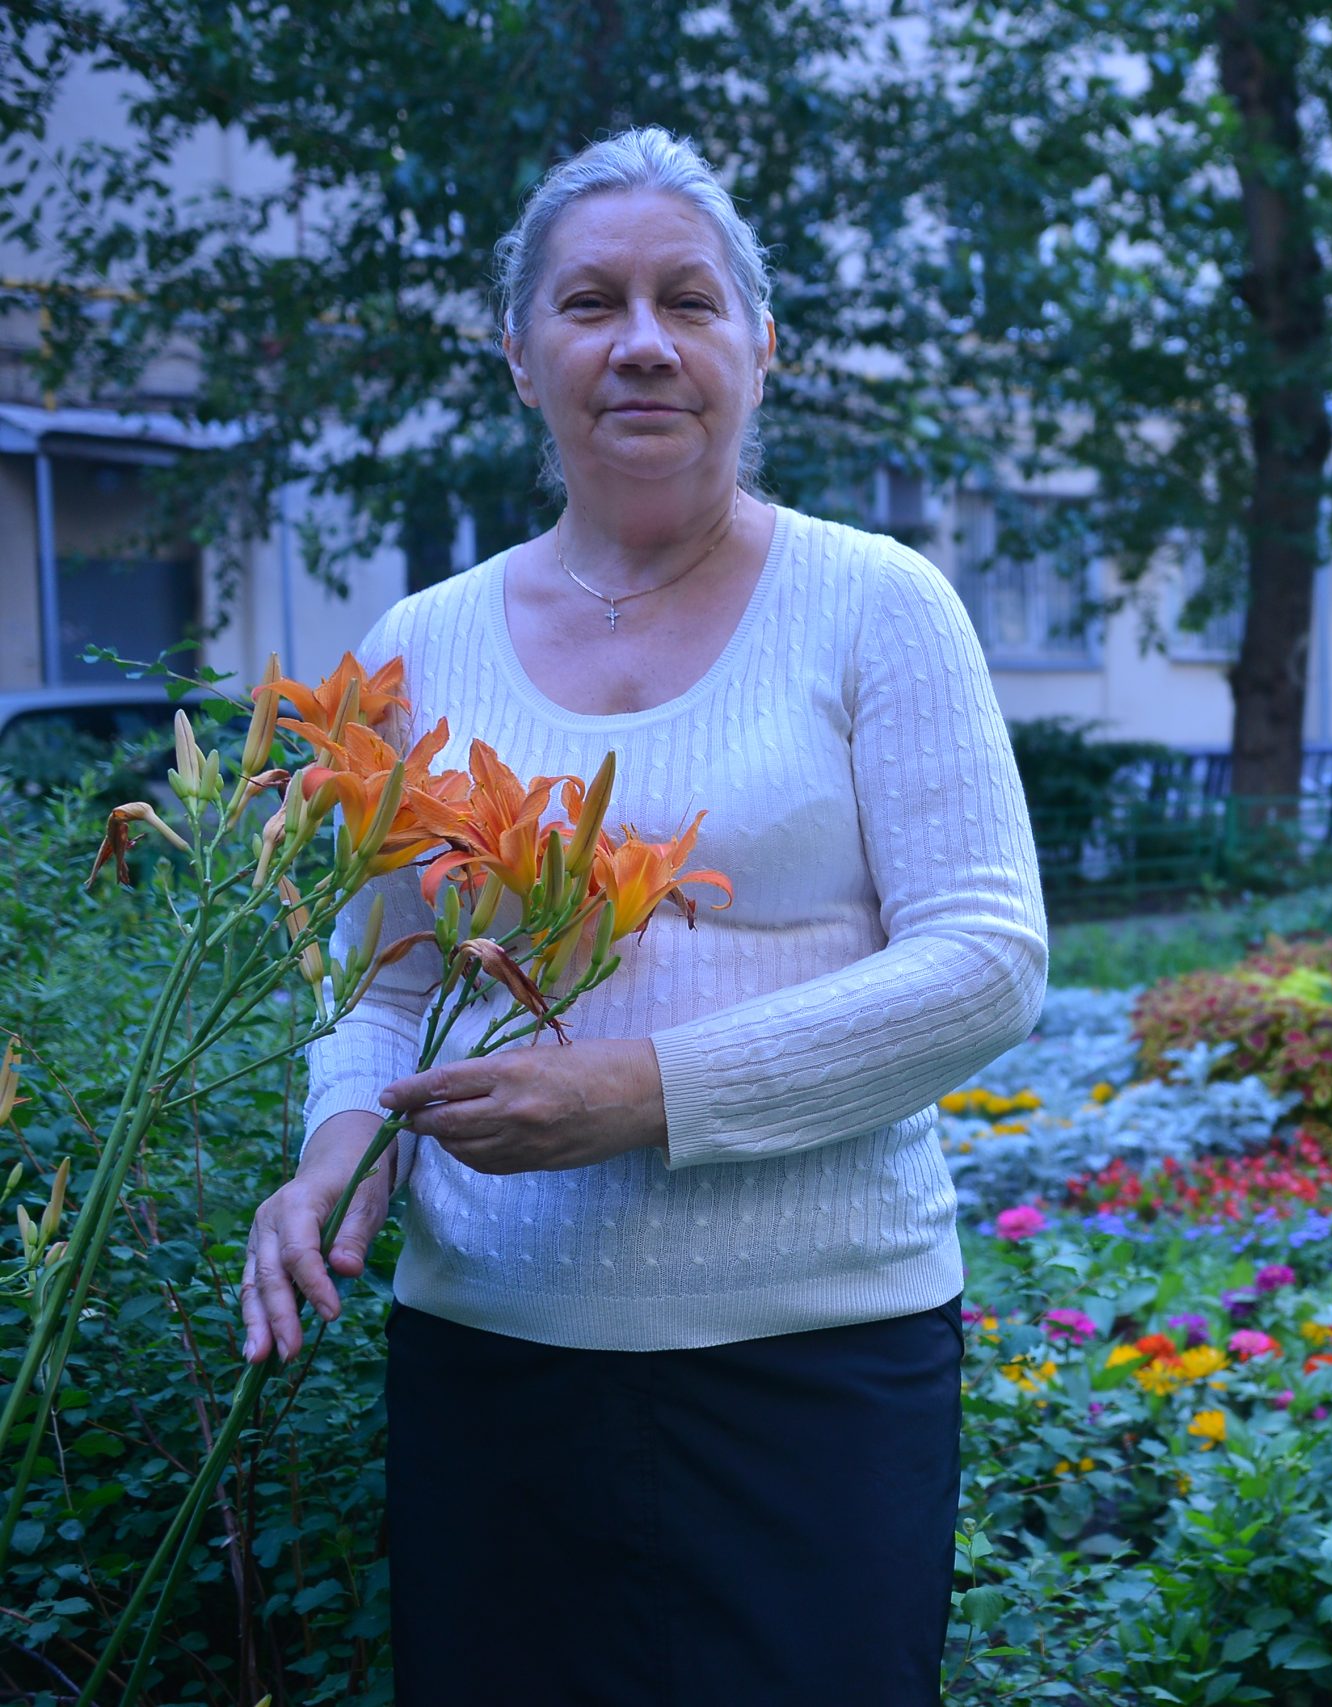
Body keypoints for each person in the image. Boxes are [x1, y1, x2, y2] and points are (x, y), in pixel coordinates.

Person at [236, 126, 1046, 1705]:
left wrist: (646, 1094)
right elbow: (378, 992)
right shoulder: (424, 644)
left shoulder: (878, 604)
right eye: (590, 303)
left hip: (816, 1367)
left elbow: (984, 967)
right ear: (522, 355)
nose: (643, 344)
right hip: (495, 1363)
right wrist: (340, 1151)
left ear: (760, 347)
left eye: (689, 300)